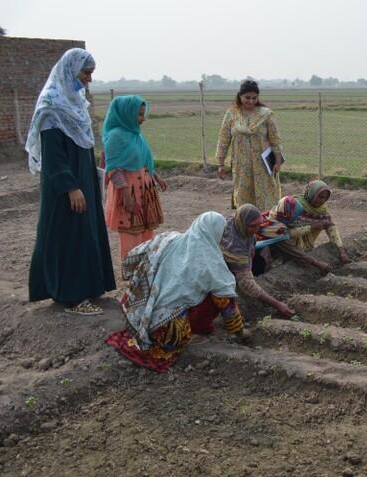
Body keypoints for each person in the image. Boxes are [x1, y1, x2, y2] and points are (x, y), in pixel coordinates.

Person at [26, 48, 116, 315]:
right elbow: (54, 156)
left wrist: (89, 180)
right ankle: (71, 296)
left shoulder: (75, 103)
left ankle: (88, 287)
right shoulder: (52, 106)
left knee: (85, 233)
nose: (88, 79)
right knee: (69, 235)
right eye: (86, 73)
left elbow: (84, 146)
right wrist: (71, 187)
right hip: (65, 188)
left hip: (83, 181)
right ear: (70, 70)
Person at [105, 212, 250, 372]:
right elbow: (226, 304)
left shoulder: (169, 239)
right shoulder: (211, 263)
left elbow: (134, 256)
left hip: (140, 314)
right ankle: (196, 327)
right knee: (220, 294)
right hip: (167, 331)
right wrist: (240, 332)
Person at [102, 95, 166, 258]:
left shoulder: (135, 134)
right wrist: (126, 196)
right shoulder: (115, 136)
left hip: (144, 189)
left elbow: (143, 160)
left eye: (143, 114)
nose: (142, 119)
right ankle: (131, 269)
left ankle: (146, 266)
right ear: (126, 114)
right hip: (129, 191)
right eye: (138, 114)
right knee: (131, 232)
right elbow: (114, 169)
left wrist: (156, 177)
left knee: (146, 231)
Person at [215, 79, 284, 210]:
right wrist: (220, 164)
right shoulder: (231, 114)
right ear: (240, 96)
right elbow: (223, 139)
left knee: (266, 197)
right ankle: (245, 224)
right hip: (241, 165)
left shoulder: (266, 114)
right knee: (243, 196)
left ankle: (266, 225)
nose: (251, 101)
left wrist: (278, 161)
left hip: (263, 165)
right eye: (247, 98)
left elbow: (275, 139)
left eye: (254, 98)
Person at [221, 204, 295, 318]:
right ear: (242, 223)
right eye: (252, 226)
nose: (256, 230)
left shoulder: (237, 223)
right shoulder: (234, 245)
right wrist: (278, 305)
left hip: (240, 262)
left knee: (260, 260)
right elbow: (247, 284)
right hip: (222, 270)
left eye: (259, 225)